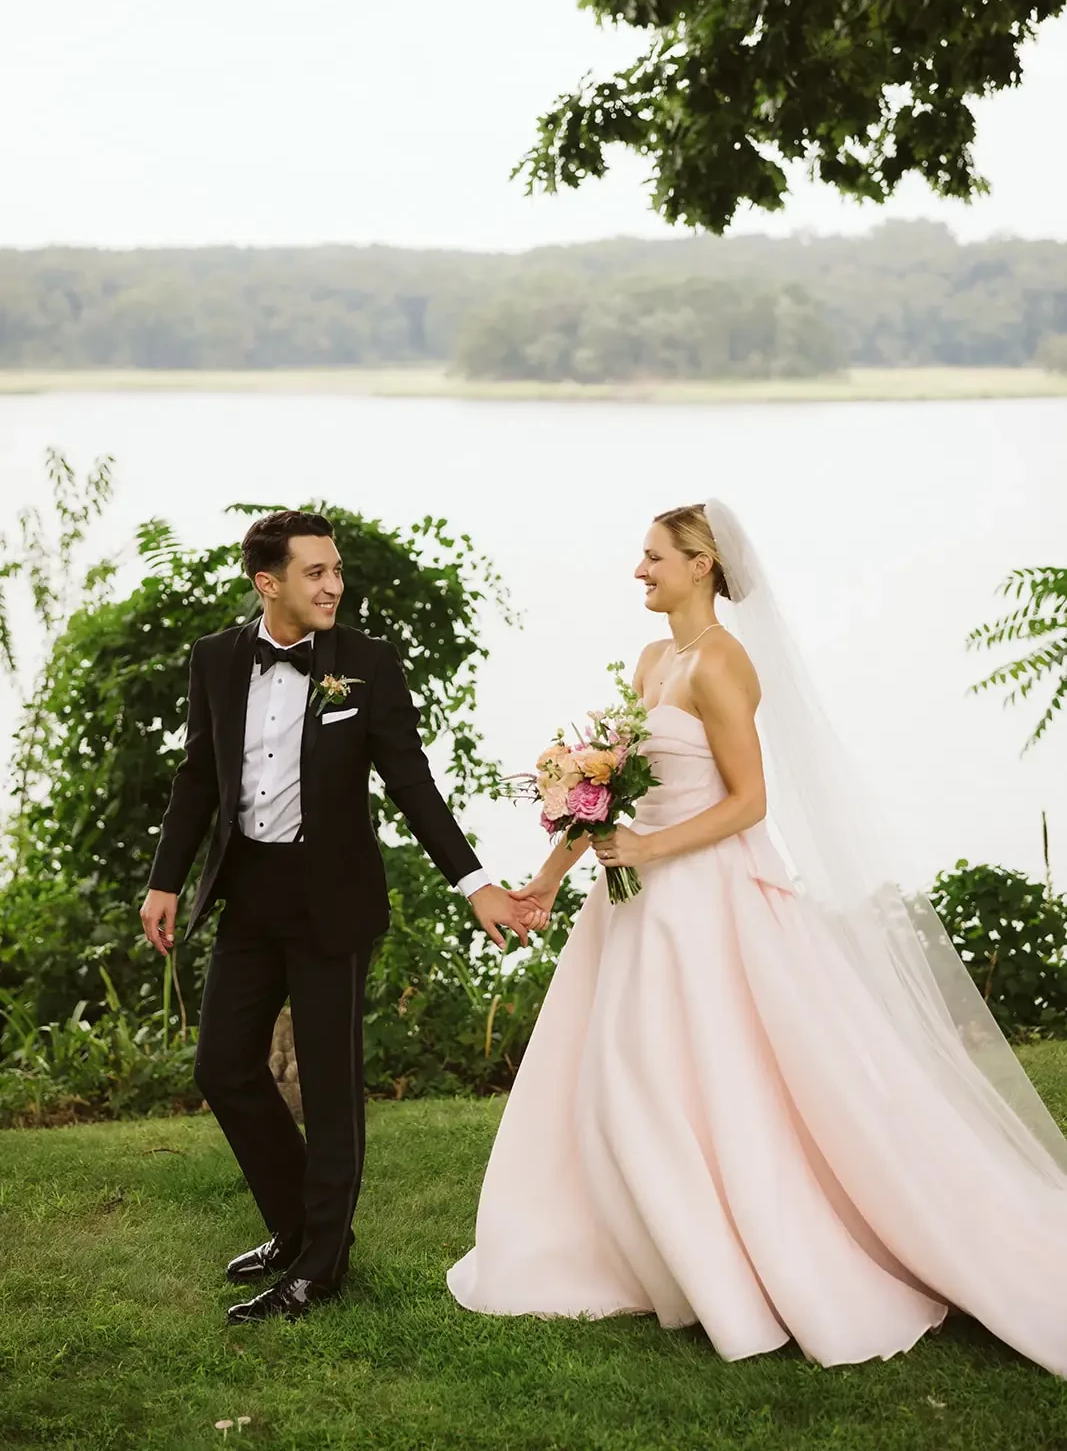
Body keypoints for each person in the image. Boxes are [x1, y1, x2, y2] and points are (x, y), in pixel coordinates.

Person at [448, 500, 1067, 1375]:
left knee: (687, 1076)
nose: (639, 570)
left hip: (703, 899)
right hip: (632, 905)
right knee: (620, 1071)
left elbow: (748, 802)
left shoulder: (723, 664)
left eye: (652, 556)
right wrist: (548, 878)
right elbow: (610, 789)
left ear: (701, 564)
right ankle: (646, 1245)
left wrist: (650, 849)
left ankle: (743, 1252)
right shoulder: (653, 659)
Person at [140, 509, 542, 1325]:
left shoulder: (366, 664)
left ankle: (319, 1265)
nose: (333, 585)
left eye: (335, 571)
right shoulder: (216, 659)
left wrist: (474, 884)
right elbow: (196, 777)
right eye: (314, 573)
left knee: (327, 1089)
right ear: (268, 582)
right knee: (222, 1067)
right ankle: (296, 1228)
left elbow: (412, 782)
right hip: (247, 895)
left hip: (333, 902)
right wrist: (165, 880)